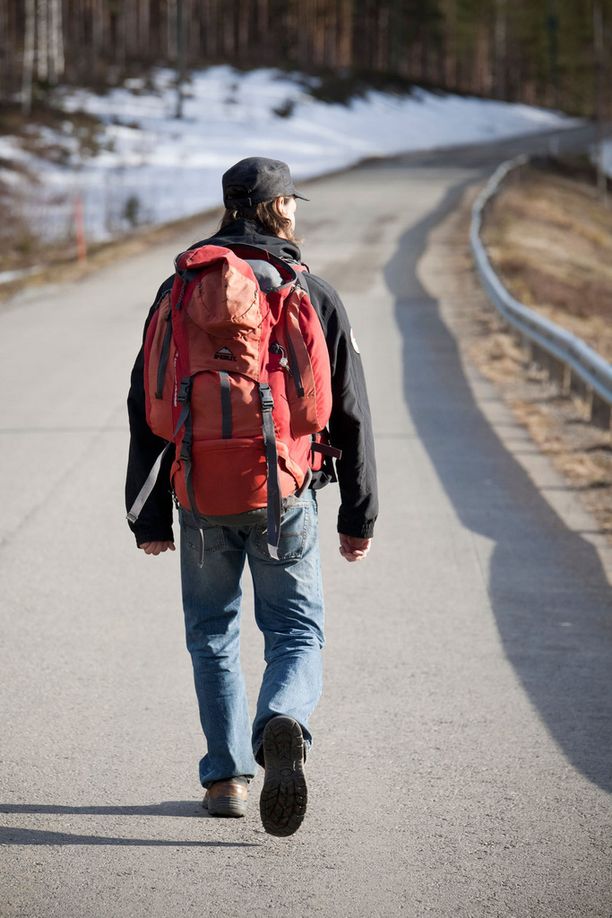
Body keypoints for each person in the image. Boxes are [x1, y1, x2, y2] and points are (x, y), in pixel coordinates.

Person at [125, 157, 378, 837]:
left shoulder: (178, 289)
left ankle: (228, 777)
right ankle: (283, 720)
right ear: (274, 210)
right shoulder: (308, 290)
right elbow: (347, 409)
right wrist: (360, 513)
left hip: (199, 490)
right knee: (295, 630)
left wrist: (145, 512)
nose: (295, 210)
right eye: (290, 201)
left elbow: (144, 398)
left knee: (212, 633)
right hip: (284, 490)